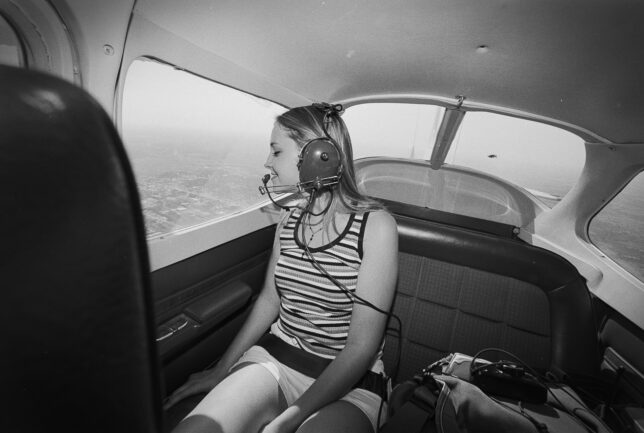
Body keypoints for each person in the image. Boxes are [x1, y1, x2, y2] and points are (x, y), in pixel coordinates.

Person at [165, 103, 398, 433]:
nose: (266, 161)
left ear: (318, 155)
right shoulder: (289, 220)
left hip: (351, 381)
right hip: (277, 359)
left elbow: (361, 347)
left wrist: (286, 422)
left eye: (276, 151)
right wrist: (222, 370)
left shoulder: (377, 227)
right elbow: (269, 301)